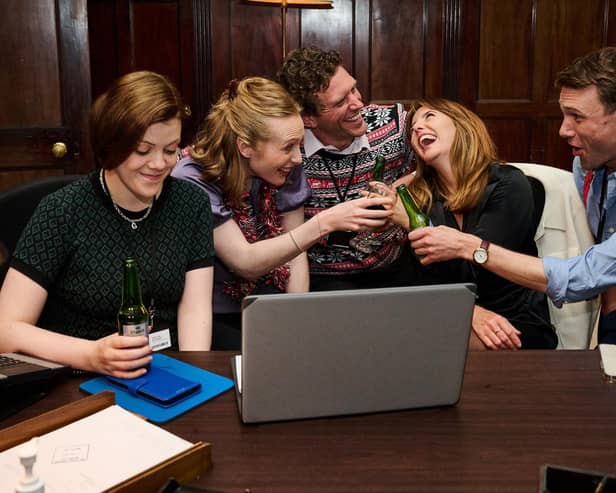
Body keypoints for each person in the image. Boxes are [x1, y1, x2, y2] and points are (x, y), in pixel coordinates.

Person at [0, 71, 215, 377]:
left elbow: (194, 310)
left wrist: (194, 375)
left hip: (165, 371)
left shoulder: (191, 203)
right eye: (142, 150)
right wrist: (91, 355)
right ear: (112, 144)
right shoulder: (62, 211)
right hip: (78, 377)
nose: (158, 164)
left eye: (170, 150)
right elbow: (6, 329)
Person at [407, 47, 616, 344]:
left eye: (577, 117)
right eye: (563, 115)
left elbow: (580, 277)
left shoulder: (506, 184)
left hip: (514, 321)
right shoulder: (588, 166)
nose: (563, 130)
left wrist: (469, 246)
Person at [173, 77, 393, 349]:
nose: (298, 158)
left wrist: (294, 317)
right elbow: (245, 261)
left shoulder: (286, 168)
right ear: (245, 147)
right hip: (217, 313)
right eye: (287, 146)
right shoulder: (195, 178)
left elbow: (295, 254)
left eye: (299, 144)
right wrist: (324, 223)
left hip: (272, 303)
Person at [388, 98, 556, 350]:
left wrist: (413, 224)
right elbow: (415, 281)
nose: (418, 128)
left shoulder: (508, 184)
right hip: (450, 316)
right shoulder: (420, 199)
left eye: (429, 117)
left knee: (421, 344)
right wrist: (469, 313)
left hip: (512, 323)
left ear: (463, 125)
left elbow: (482, 272)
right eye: (412, 129)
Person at [277, 47, 414, 291]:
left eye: (353, 88)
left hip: (395, 274)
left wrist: (404, 189)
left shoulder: (395, 124)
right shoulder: (288, 152)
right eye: (341, 101)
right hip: (318, 282)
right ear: (308, 118)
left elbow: (453, 162)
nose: (358, 103)